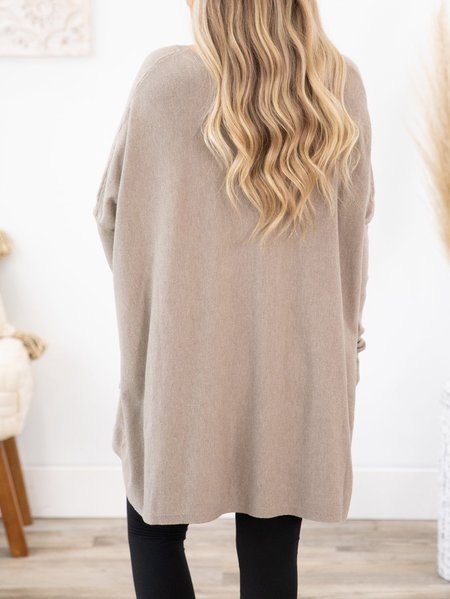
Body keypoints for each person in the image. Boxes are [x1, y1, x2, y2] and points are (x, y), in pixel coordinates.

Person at [93, 0, 375, 597]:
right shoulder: (339, 83)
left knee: (154, 527)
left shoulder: (165, 80)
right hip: (298, 359)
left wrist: (170, 293)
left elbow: (111, 212)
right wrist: (344, 338)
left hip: (181, 358)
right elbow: (354, 233)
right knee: (273, 541)